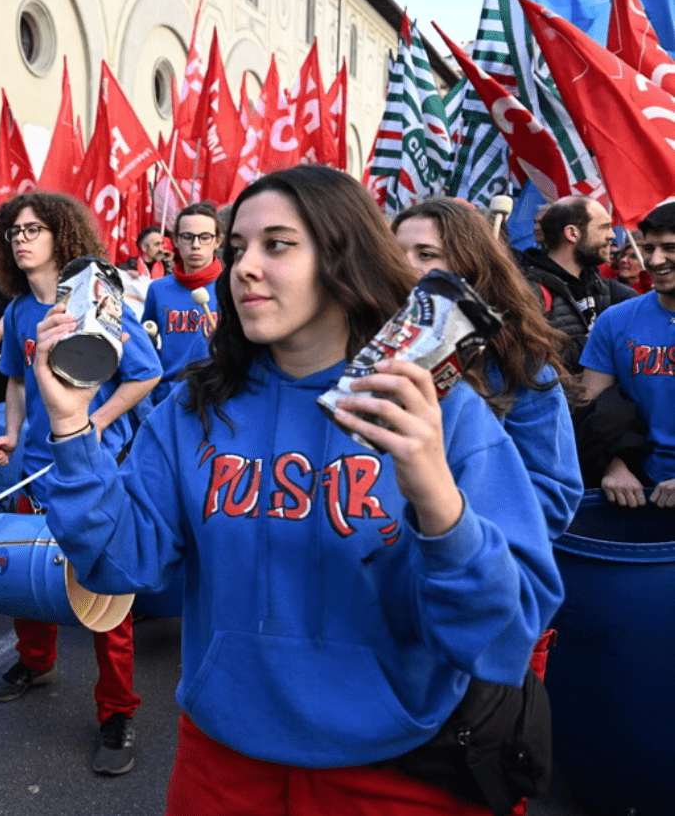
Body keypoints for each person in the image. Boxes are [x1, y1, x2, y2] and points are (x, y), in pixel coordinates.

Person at [31, 166, 561, 813]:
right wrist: (70, 423)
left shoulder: (436, 409)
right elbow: (117, 561)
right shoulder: (194, 406)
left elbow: (502, 635)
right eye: (237, 249)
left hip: (396, 772)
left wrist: (437, 499)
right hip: (222, 764)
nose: (245, 267)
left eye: (277, 244)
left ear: (346, 258)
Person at [0, 191, 161, 777]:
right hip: (34, 467)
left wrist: (86, 427)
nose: (21, 238)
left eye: (34, 229)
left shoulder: (97, 300)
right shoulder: (15, 313)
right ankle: (35, 661)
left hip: (93, 471)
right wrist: (11, 434)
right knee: (27, 573)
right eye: (13, 232)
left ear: (63, 235)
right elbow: (14, 380)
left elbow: (146, 374)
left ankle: (118, 711)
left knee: (106, 597)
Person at [393, 198, 582, 542]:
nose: (404, 268)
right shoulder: (358, 351)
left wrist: (446, 520)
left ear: (470, 267)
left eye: (426, 254)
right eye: (395, 254)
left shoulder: (518, 365)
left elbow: (553, 495)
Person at [577, 201, 675, 507]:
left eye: (669, 248)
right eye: (649, 248)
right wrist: (613, 467)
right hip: (637, 492)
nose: (655, 260)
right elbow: (590, 404)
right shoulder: (615, 320)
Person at [519, 196, 636, 372]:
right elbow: (532, 360)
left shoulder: (614, 292)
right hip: (561, 397)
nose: (612, 235)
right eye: (604, 227)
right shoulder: (527, 291)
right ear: (572, 233)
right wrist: (603, 338)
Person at [142, 203, 222, 404]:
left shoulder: (233, 286)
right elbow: (147, 344)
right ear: (176, 240)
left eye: (205, 237)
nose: (196, 244)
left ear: (218, 241)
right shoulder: (158, 289)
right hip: (168, 396)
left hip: (218, 393)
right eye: (188, 236)